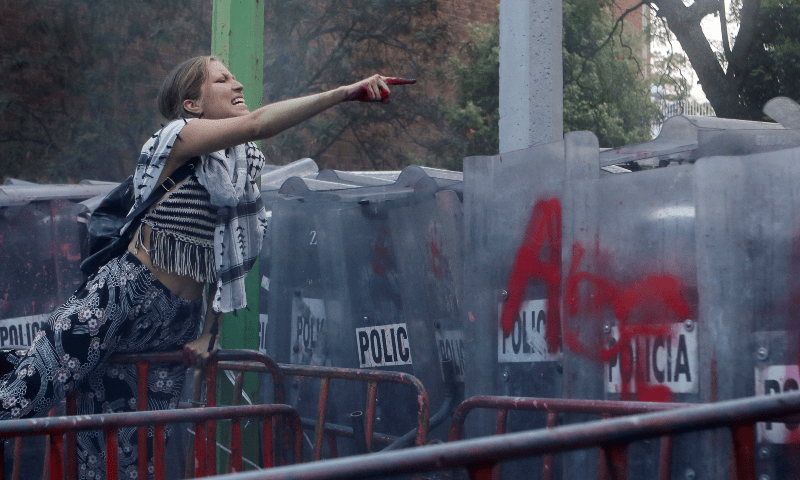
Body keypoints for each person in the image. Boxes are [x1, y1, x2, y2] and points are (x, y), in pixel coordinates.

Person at [0, 55, 414, 479]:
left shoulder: (242, 164)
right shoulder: (178, 137)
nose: (236, 85)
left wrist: (209, 331)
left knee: (123, 456)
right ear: (192, 104)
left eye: (234, 78)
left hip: (175, 321)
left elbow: (231, 254)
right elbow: (257, 123)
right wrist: (343, 93)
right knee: (19, 400)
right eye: (222, 80)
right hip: (122, 296)